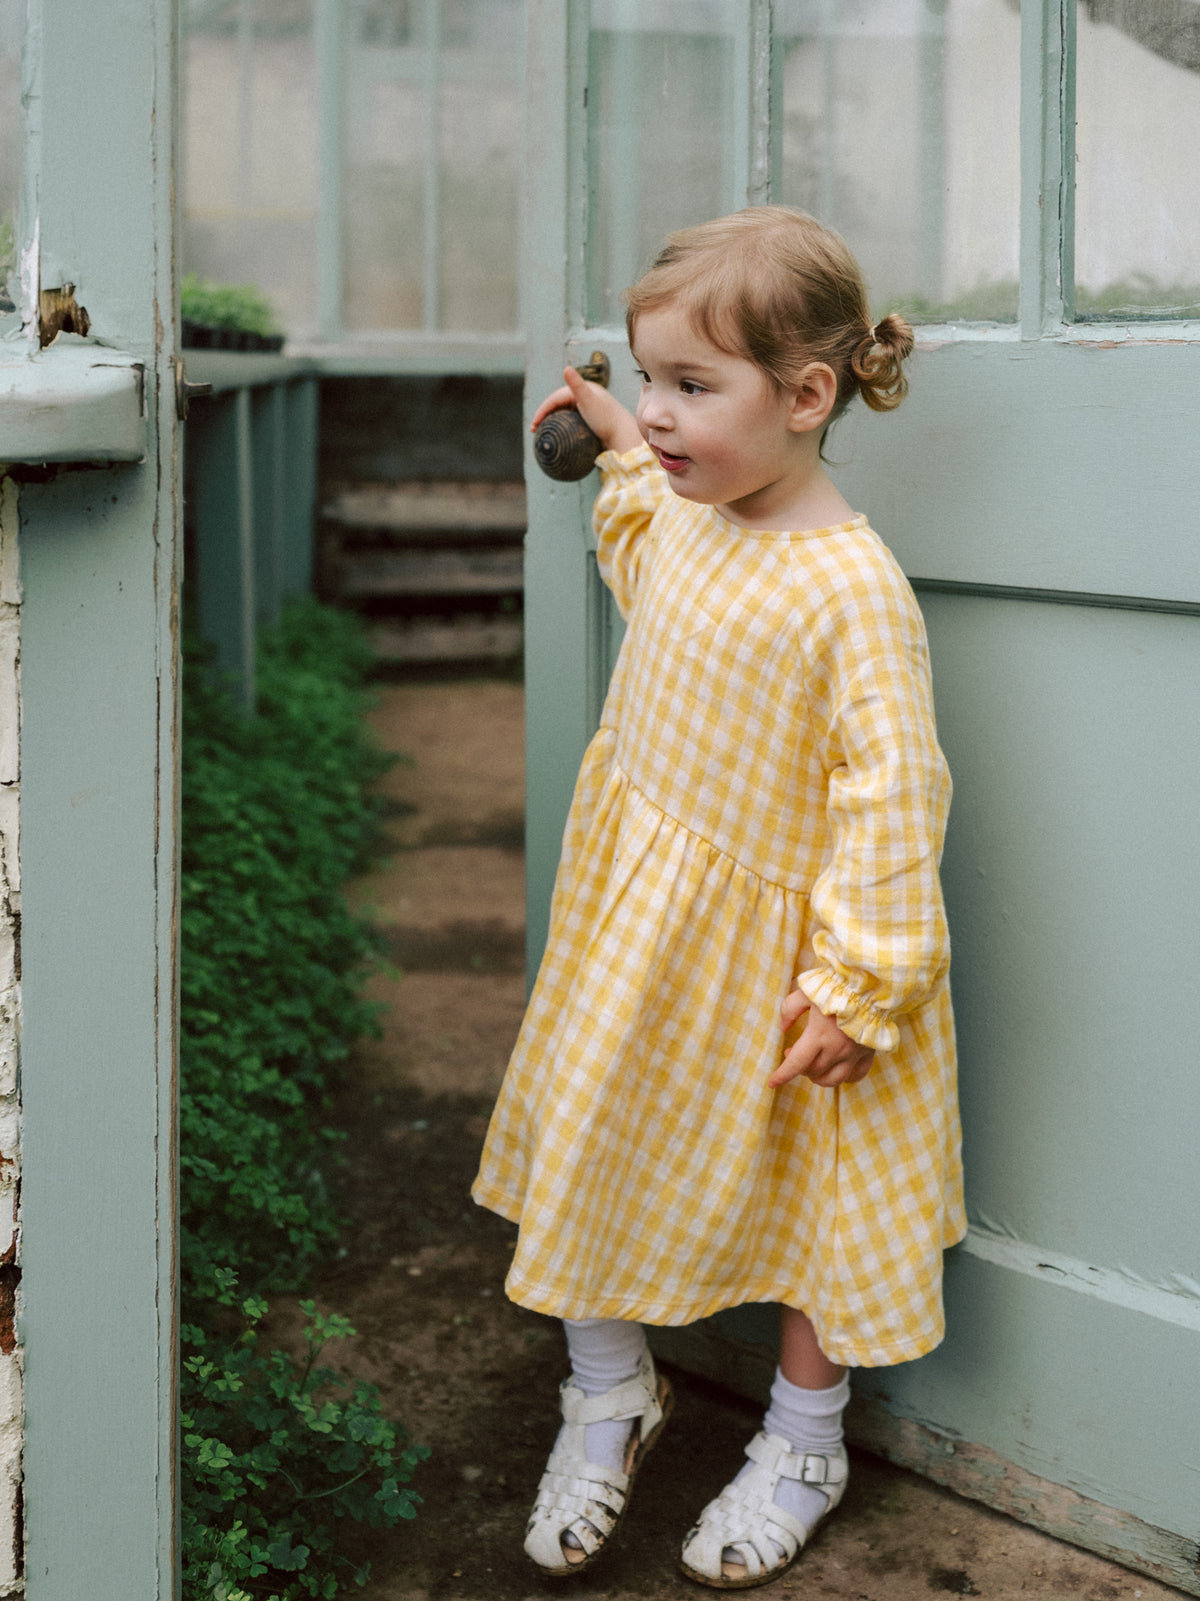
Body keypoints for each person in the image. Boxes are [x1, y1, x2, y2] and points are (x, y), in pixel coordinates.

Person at [471, 206, 964, 1589]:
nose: (658, 414)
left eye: (694, 387)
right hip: (644, 934)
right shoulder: (688, 513)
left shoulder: (847, 585)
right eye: (648, 380)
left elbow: (893, 785)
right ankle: (608, 1389)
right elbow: (650, 561)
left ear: (808, 396)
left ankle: (808, 1438)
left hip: (793, 966)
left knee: (823, 1194)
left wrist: (863, 981)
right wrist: (629, 453)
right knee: (591, 1131)